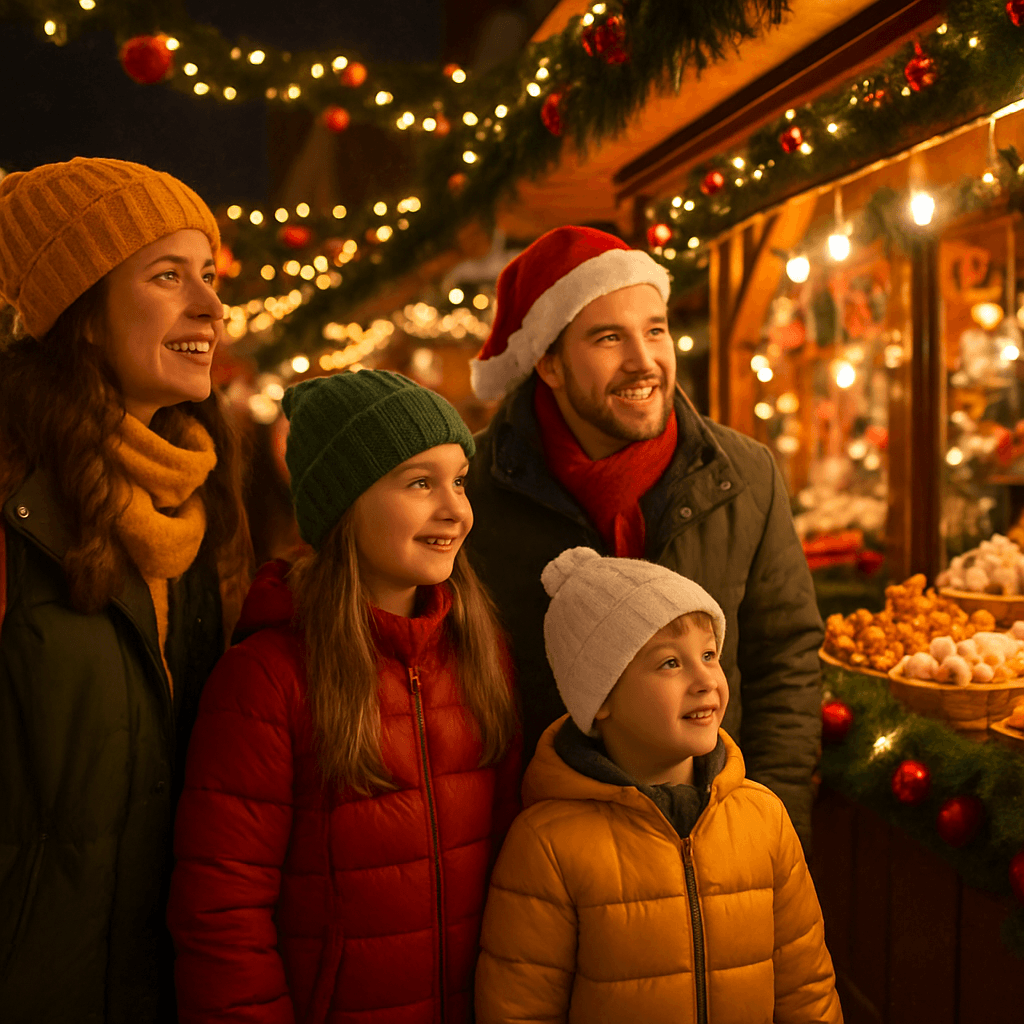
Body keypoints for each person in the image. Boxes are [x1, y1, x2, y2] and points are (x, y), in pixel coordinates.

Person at [168, 370, 521, 1023]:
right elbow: (222, 913)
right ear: (345, 504)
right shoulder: (269, 679)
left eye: (459, 481)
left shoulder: (479, 654)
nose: (455, 509)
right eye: (421, 483)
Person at [463, 225, 823, 848]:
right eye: (609, 338)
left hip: (716, 834)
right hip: (547, 845)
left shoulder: (747, 476)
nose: (644, 361)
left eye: (655, 330)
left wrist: (773, 827)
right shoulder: (475, 495)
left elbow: (785, 658)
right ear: (549, 362)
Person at [0, 157, 251, 1022]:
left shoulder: (196, 500)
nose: (211, 308)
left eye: (210, 276)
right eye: (168, 275)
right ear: (84, 316)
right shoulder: (15, 501)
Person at [476, 547, 842, 1024]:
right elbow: (518, 1010)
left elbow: (806, 988)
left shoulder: (764, 819)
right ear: (600, 698)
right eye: (671, 663)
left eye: (709, 654)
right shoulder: (547, 845)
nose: (705, 679)